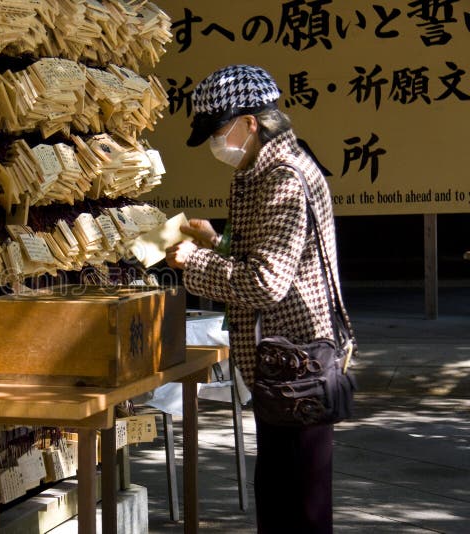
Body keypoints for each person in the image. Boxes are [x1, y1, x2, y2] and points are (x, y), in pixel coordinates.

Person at [165, 64, 352, 533]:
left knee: (300, 509)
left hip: (298, 366)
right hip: (279, 367)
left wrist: (196, 264)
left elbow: (268, 281)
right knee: (279, 497)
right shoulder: (259, 170)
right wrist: (218, 242)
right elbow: (270, 253)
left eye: (217, 131)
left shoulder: (282, 178)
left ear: (251, 123)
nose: (214, 145)